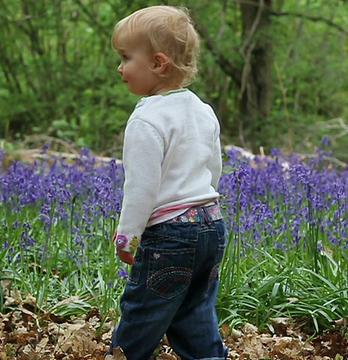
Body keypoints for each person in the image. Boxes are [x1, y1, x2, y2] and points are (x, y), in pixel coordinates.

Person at [107, 5, 228, 360]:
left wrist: (127, 236)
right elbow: (213, 170)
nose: (120, 68)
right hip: (211, 224)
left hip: (170, 236)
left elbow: (141, 188)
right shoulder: (203, 110)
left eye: (126, 58)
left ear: (158, 63)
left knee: (143, 313)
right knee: (195, 313)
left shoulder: (147, 119)